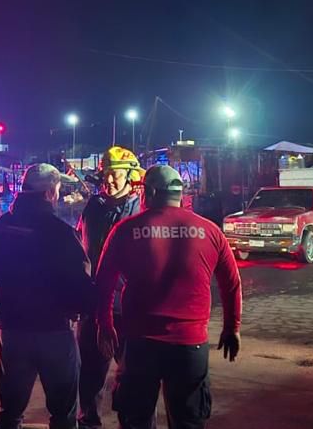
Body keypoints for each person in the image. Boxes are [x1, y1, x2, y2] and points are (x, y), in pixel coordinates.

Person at [94, 165, 242, 429]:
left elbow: (104, 282)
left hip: (140, 344)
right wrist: (232, 328)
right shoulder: (209, 231)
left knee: (135, 419)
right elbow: (231, 284)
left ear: (150, 192)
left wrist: (104, 325)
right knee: (188, 420)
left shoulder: (126, 230)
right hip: (190, 345)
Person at [0, 163, 94, 429]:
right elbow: (79, 280)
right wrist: (86, 308)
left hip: (13, 330)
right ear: (49, 193)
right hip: (54, 331)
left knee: (10, 411)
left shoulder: (0, 226)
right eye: (57, 187)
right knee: (63, 412)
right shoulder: (60, 233)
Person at [76, 147, 144, 429]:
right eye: (105, 176)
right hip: (94, 306)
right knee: (90, 379)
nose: (108, 182)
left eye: (114, 175)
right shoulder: (93, 207)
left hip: (130, 309)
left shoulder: (142, 210)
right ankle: (88, 423)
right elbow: (81, 247)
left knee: (133, 381)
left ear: (130, 176)